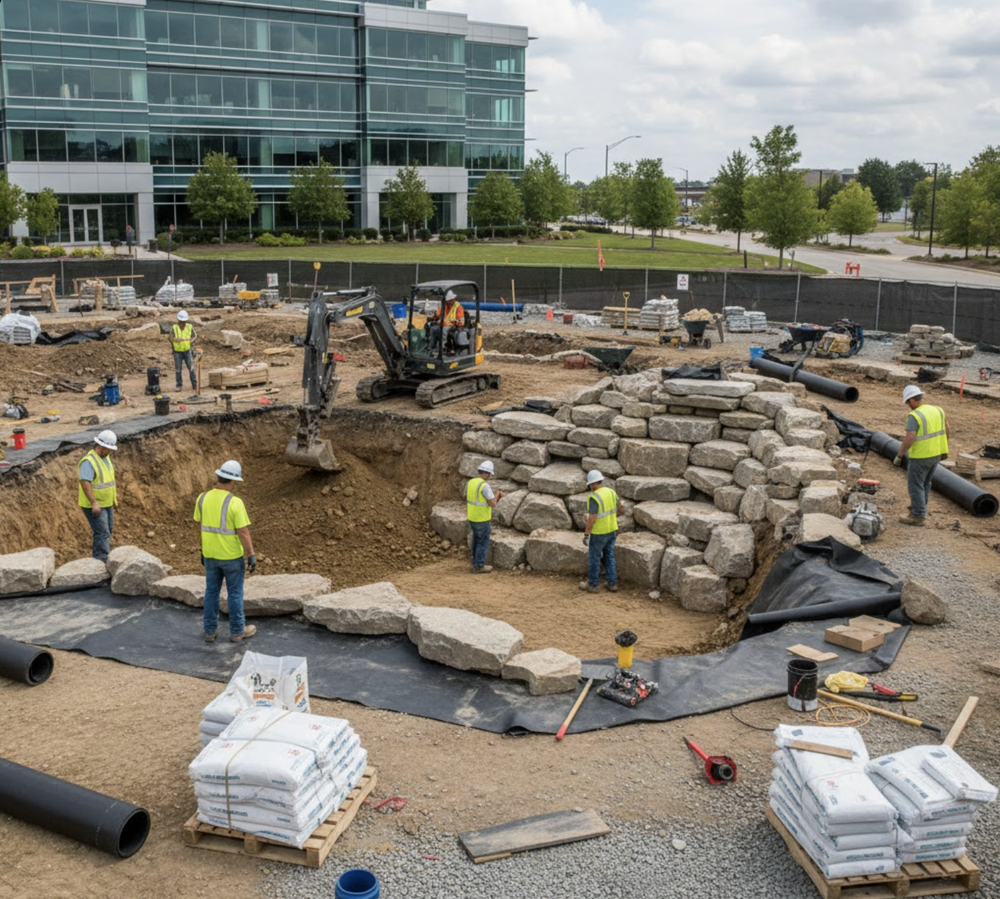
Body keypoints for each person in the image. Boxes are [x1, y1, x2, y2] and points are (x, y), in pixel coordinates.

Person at [194, 460, 257, 644]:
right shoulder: (235, 503)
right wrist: (251, 554)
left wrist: (203, 549)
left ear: (218, 476)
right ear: (233, 481)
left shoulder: (202, 498)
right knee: (235, 593)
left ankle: (209, 631)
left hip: (210, 555)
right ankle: (237, 632)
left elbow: (200, 526)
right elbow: (243, 532)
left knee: (211, 592)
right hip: (231, 557)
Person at [894, 385, 950, 527]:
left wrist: (900, 455)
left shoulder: (915, 415)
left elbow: (910, 437)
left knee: (915, 484)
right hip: (936, 453)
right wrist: (942, 445)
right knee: (926, 483)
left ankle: (918, 515)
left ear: (913, 400)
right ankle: (919, 507)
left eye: (908, 402)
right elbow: (947, 429)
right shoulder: (938, 410)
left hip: (921, 456)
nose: (908, 405)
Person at [580, 469, 624, 593]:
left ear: (593, 484)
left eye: (590, 484)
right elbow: (621, 509)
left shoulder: (594, 497)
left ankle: (593, 585)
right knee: (609, 556)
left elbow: (592, 517)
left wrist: (586, 534)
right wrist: (613, 518)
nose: (590, 487)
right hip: (612, 530)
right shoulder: (611, 492)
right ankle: (612, 584)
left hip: (599, 533)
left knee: (594, 558)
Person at [78, 430, 119, 562]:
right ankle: (101, 561)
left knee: (108, 529)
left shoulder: (105, 457)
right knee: (102, 533)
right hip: (94, 504)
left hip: (105, 502)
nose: (110, 452)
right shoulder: (89, 462)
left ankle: (101, 557)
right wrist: (94, 503)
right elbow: (85, 481)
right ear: (101, 447)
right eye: (108, 449)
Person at [467, 460, 504, 574]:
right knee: (483, 541)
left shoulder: (471, 482)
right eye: (490, 475)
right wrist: (498, 496)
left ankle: (475, 562)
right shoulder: (484, 486)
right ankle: (479, 566)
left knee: (476, 540)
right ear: (487, 473)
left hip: (472, 517)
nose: (489, 477)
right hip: (482, 518)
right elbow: (492, 503)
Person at [428, 289, 466, 355]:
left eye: (450, 300)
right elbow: (437, 314)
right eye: (447, 301)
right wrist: (433, 318)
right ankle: (431, 348)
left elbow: (460, 321)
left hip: (454, 326)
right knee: (433, 329)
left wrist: (453, 322)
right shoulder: (445, 305)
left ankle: (443, 348)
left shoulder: (458, 307)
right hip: (444, 324)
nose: (448, 302)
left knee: (444, 330)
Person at [170, 309, 197, 392]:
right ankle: (179, 385)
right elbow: (170, 337)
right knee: (178, 370)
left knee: (191, 368)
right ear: (178, 320)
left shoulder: (189, 327)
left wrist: (191, 344)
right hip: (177, 351)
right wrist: (174, 340)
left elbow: (195, 336)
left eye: (184, 321)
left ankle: (194, 385)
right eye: (181, 321)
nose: (182, 323)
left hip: (187, 350)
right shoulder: (174, 328)